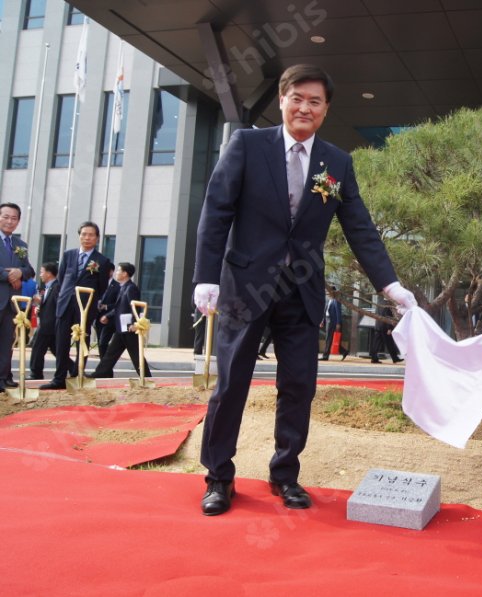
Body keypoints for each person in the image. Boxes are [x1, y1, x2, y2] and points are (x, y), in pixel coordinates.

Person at [192, 64, 416, 516]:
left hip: (301, 291)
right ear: (282, 99)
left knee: (299, 386)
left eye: (315, 101)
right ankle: (219, 477)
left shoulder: (337, 162)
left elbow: (360, 228)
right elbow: (216, 212)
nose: (305, 108)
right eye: (297, 98)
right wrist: (206, 276)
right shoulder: (247, 145)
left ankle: (285, 475)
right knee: (231, 383)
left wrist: (390, 284)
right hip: (245, 287)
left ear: (326, 109)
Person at [41, 221, 113, 390]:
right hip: (64, 305)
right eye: (84, 234)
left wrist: (89, 301)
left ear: (97, 238)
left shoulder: (102, 261)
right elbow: (61, 279)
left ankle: (77, 374)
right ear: (79, 236)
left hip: (85, 308)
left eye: (91, 235)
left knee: (82, 342)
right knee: (61, 343)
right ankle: (59, 379)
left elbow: (102, 287)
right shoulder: (68, 255)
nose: (87, 238)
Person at [88, 263, 151, 378]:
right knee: (110, 354)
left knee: (136, 355)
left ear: (125, 273)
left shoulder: (131, 288)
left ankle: (147, 377)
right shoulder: (123, 287)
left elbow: (135, 307)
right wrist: (108, 316)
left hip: (129, 328)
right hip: (121, 327)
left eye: (118, 271)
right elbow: (119, 307)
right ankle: (99, 373)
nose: (116, 273)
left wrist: (134, 324)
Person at [0, 203, 35, 391]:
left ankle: (3, 378)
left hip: (12, 303)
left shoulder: (21, 245)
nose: (9, 221)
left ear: (18, 221)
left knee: (7, 341)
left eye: (14, 218)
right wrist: (9, 276)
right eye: (5, 216)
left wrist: (20, 272)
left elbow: (30, 270)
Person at [29, 262, 59, 380]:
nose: (40, 275)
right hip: (46, 323)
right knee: (56, 350)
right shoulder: (49, 286)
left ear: (49, 273)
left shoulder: (57, 287)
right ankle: (74, 369)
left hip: (49, 325)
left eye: (42, 272)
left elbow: (57, 307)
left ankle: (35, 374)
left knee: (37, 349)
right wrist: (40, 308)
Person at [95, 271, 120, 359]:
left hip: (109, 319)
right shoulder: (98, 284)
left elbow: (119, 304)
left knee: (103, 342)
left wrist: (106, 307)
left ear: (111, 272)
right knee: (100, 343)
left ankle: (104, 366)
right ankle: (104, 366)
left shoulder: (117, 286)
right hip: (98, 317)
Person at [320, 286, 348, 361]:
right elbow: (325, 312)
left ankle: (325, 356)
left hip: (332, 321)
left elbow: (338, 312)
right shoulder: (329, 300)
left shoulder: (336, 300)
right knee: (331, 339)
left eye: (329, 291)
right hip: (327, 320)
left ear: (333, 292)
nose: (328, 293)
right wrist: (323, 321)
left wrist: (338, 323)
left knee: (328, 339)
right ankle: (344, 351)